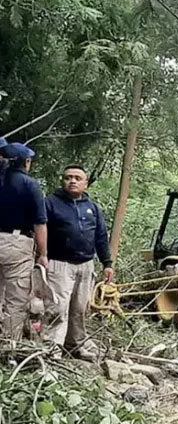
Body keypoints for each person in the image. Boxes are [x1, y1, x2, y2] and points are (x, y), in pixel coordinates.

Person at [43, 165, 113, 355]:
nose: (72, 181)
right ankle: (51, 349)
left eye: (77, 178)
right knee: (57, 308)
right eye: (68, 177)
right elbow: (40, 231)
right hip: (58, 264)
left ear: (86, 183)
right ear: (62, 181)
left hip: (86, 265)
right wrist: (40, 256)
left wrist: (107, 263)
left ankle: (75, 345)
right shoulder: (50, 203)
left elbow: (100, 236)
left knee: (80, 308)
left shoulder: (92, 207)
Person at [0, 143, 48, 339]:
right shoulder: (30, 185)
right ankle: (9, 346)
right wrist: (43, 254)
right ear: (26, 162)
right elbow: (40, 223)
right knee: (16, 299)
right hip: (16, 243)